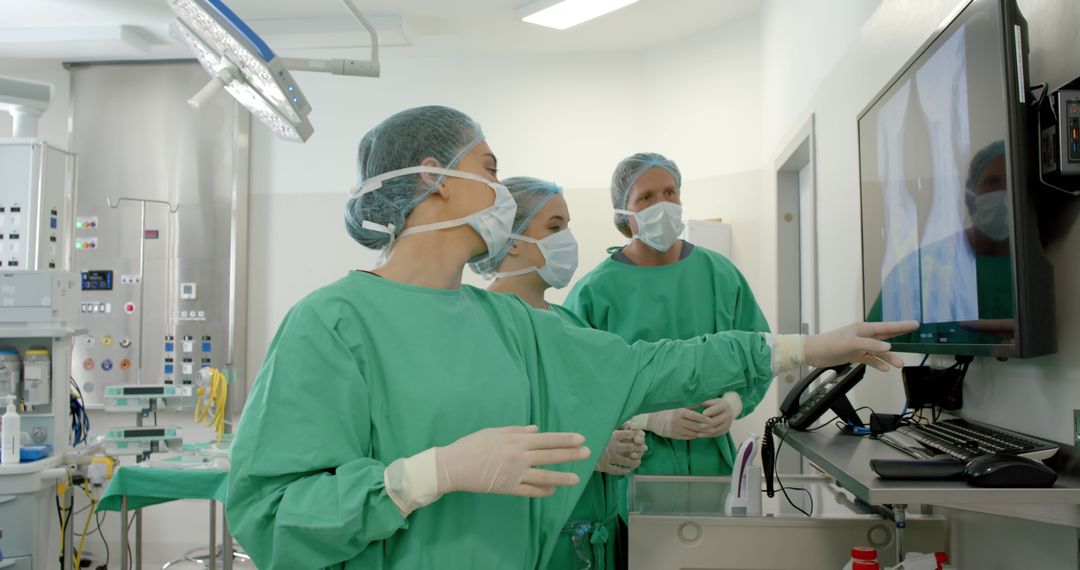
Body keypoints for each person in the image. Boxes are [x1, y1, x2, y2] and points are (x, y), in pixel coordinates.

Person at [224, 105, 917, 570]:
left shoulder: (510, 324)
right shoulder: (333, 323)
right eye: (489, 169)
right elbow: (268, 516)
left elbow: (653, 366)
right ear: (432, 176)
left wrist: (809, 349)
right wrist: (425, 475)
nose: (501, 188)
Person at [564, 152, 772, 525]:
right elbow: (577, 386)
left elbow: (760, 352)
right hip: (636, 465)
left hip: (712, 463)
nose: (662, 205)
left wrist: (735, 402)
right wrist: (649, 418)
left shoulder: (720, 275)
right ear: (624, 213)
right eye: (646, 198)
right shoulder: (595, 292)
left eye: (670, 192)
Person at [470, 176, 647, 569]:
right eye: (553, 228)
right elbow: (485, 433)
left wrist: (621, 432)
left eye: (566, 227)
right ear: (510, 238)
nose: (566, 239)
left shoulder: (570, 322)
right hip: (533, 536)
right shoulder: (480, 323)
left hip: (596, 534)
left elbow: (591, 401)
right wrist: (587, 454)